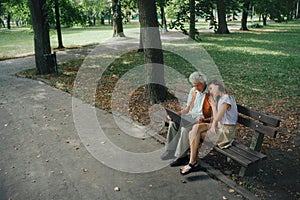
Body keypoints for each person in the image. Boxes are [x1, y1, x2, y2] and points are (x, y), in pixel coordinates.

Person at [180, 80, 238, 175]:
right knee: (195, 128)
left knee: (192, 133)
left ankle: (192, 163)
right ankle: (192, 162)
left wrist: (214, 107)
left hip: (226, 132)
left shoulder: (227, 99)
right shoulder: (221, 98)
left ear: (218, 86)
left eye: (211, 88)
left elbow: (217, 118)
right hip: (219, 126)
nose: (210, 91)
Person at [160, 71, 212, 167]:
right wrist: (178, 114)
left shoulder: (211, 93)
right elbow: (188, 108)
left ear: (204, 83)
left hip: (201, 120)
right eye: (194, 85)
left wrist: (204, 120)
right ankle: (170, 151)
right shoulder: (193, 91)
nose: (195, 88)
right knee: (173, 123)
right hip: (190, 116)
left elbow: (216, 115)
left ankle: (181, 157)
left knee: (185, 129)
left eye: (197, 85)